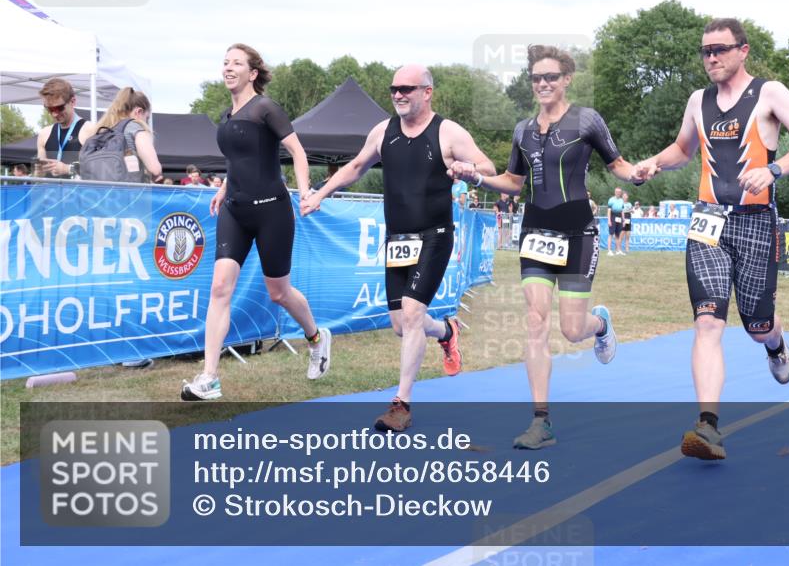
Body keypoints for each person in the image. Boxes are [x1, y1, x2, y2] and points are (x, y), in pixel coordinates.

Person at [633, 18, 789, 460]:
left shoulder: (770, 93)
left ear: (743, 50)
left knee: (756, 326)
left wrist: (774, 169)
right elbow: (683, 150)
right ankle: (707, 425)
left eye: (720, 49)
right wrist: (653, 163)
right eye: (705, 51)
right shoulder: (697, 101)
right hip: (708, 223)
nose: (712, 58)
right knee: (707, 322)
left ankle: (775, 344)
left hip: (756, 221)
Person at [460, 44, 639, 449]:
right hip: (536, 231)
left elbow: (618, 164)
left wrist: (638, 175)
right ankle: (541, 421)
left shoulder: (587, 120)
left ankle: (600, 324)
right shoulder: (523, 130)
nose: (543, 84)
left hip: (577, 232)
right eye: (537, 78)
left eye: (551, 77)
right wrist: (477, 178)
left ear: (567, 79)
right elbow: (512, 182)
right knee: (536, 320)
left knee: (571, 330)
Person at [303, 64, 496, 431]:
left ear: (427, 92)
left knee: (410, 315)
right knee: (400, 324)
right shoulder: (383, 131)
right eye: (394, 89)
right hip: (398, 240)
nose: (398, 95)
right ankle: (447, 332)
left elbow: (486, 164)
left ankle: (401, 404)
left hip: (435, 235)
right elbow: (356, 166)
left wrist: (471, 171)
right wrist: (320, 194)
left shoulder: (448, 131)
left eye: (407, 88)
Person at [181, 43, 332, 400]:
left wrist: (306, 192)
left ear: (252, 73)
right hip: (234, 209)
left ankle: (315, 337)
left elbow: (296, 151)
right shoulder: (226, 116)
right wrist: (225, 188)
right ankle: (209, 378)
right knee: (220, 287)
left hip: (272, 210)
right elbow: (238, 160)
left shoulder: (265, 108)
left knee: (278, 292)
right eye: (225, 62)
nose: (228, 68)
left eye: (237, 63)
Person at [77, 87, 165, 184]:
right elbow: (155, 169)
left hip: (99, 195)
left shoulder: (101, 130)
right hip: (129, 195)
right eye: (147, 118)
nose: (146, 122)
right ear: (139, 112)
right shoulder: (135, 128)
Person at [35, 78, 93, 178]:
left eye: (59, 108)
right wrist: (38, 171)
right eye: (49, 108)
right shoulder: (44, 134)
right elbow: (39, 176)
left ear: (73, 101)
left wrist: (67, 169)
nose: (54, 114)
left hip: (79, 192)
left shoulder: (89, 130)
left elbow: (98, 168)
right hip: (51, 192)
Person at [607, 187, 625, 255]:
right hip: (613, 216)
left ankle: (618, 250)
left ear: (621, 193)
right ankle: (609, 251)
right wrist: (609, 220)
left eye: (619, 192)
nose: (618, 193)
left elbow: (622, 211)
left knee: (618, 234)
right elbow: (609, 211)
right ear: (615, 192)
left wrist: (623, 220)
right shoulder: (611, 200)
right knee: (611, 234)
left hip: (619, 217)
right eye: (617, 192)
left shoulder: (621, 200)